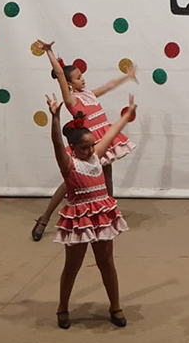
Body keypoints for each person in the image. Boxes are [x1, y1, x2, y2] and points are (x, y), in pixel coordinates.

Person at [31, 40, 136, 241]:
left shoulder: (88, 94)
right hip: (88, 145)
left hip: (102, 142)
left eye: (82, 76)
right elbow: (60, 73)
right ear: (69, 84)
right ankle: (45, 218)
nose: (83, 79)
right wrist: (49, 51)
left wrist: (127, 77)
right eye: (78, 78)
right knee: (68, 185)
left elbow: (109, 86)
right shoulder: (71, 100)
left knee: (107, 177)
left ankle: (107, 214)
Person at [46, 93, 135, 329]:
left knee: (106, 263)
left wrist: (126, 115)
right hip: (79, 219)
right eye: (84, 148)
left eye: (92, 145)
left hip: (102, 215)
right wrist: (55, 118)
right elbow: (57, 143)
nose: (89, 150)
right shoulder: (69, 164)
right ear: (73, 149)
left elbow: (111, 133)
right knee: (72, 266)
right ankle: (62, 307)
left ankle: (115, 306)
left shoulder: (95, 157)